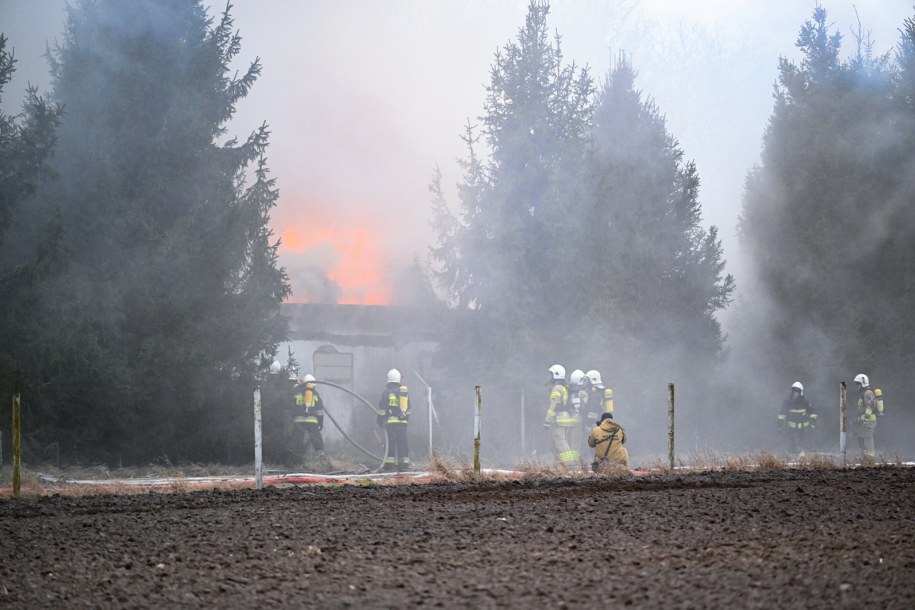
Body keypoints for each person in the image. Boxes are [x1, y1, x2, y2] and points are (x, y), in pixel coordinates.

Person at [293, 374, 331, 472]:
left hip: (298, 421)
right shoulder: (315, 393)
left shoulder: (296, 391)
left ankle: (296, 463)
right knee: (317, 440)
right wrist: (320, 423)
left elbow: (291, 406)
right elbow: (319, 411)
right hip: (312, 422)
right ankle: (323, 463)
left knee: (297, 441)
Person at [542, 364, 578, 469]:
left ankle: (569, 465)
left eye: (551, 374)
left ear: (555, 375)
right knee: (564, 442)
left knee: (560, 443)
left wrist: (547, 420)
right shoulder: (564, 387)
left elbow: (554, 404)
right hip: (566, 418)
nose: (549, 377)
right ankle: (562, 466)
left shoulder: (557, 388)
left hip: (559, 419)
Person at [377, 368, 411, 472]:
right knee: (402, 443)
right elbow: (408, 409)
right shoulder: (403, 393)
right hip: (402, 424)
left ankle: (389, 466)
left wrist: (379, 420)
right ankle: (404, 465)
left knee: (390, 444)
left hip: (391, 424)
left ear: (389, 380)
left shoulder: (386, 393)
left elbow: (382, 409)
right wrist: (404, 419)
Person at [776, 381, 817, 457]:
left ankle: (801, 461)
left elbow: (813, 413)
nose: (795, 394)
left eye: (797, 392)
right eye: (794, 391)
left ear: (800, 392)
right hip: (792, 429)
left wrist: (812, 424)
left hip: (804, 429)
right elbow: (781, 415)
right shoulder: (787, 402)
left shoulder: (805, 402)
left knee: (803, 445)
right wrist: (779, 426)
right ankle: (792, 459)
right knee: (794, 444)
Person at [853, 373, 878, 459]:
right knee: (861, 437)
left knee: (867, 438)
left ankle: (870, 458)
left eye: (858, 384)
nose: (857, 386)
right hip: (864, 419)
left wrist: (866, 419)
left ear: (862, 383)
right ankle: (866, 457)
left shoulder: (867, 393)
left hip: (869, 419)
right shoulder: (863, 393)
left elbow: (869, 407)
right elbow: (861, 408)